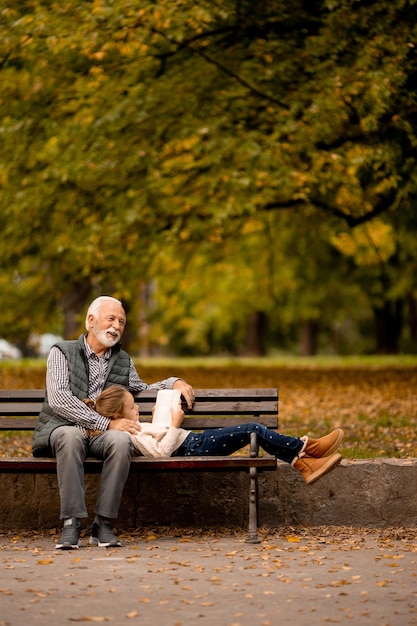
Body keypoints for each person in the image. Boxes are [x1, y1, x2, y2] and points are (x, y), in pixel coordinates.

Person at [32, 296, 194, 550]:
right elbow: (59, 399)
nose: (117, 326)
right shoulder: (60, 352)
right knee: (71, 437)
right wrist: (106, 423)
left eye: (122, 322)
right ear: (90, 321)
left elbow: (141, 388)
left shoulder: (123, 360)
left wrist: (174, 382)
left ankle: (103, 524)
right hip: (63, 428)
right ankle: (71, 524)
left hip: (101, 435)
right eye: (111, 319)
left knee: (121, 440)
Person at [85, 384, 344, 486]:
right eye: (132, 407)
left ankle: (304, 458)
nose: (137, 408)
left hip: (194, 442)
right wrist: (174, 422)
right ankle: (305, 450)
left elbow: (158, 440)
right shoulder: (129, 434)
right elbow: (161, 452)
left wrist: (157, 419)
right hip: (193, 447)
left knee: (252, 430)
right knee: (252, 429)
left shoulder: (131, 428)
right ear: (117, 417)